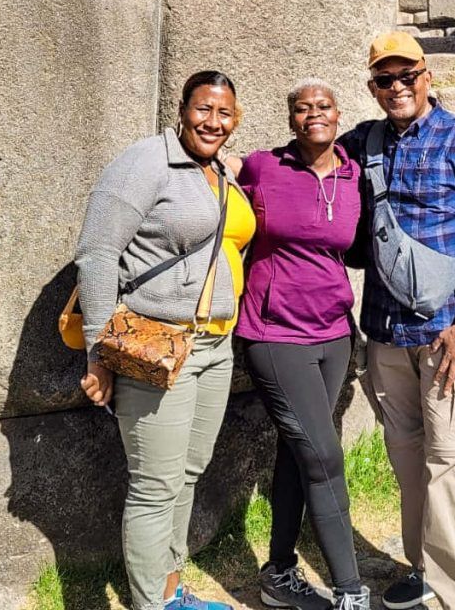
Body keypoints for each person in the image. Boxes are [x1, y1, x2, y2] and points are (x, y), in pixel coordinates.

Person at [341, 32, 455, 610]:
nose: (397, 88)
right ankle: (423, 573)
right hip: (387, 333)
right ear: (372, 87)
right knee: (409, 463)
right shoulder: (361, 145)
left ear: (427, 76)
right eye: (384, 80)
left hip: (447, 335)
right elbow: (304, 160)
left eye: (406, 76)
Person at [75, 70, 256, 610]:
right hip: (156, 345)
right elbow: (98, 254)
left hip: (214, 347)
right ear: (181, 109)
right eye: (204, 109)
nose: (213, 122)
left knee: (189, 474)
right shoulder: (146, 163)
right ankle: (149, 604)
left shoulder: (217, 170)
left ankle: (173, 593)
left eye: (225, 114)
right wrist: (99, 354)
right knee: (155, 487)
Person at [235, 79, 370, 610]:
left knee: (299, 453)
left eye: (324, 106)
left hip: (335, 333)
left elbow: (355, 249)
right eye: (302, 108)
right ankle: (351, 591)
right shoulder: (262, 168)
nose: (314, 113)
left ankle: (279, 574)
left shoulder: (352, 174)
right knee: (324, 456)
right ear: (290, 120)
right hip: (274, 334)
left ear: (338, 115)